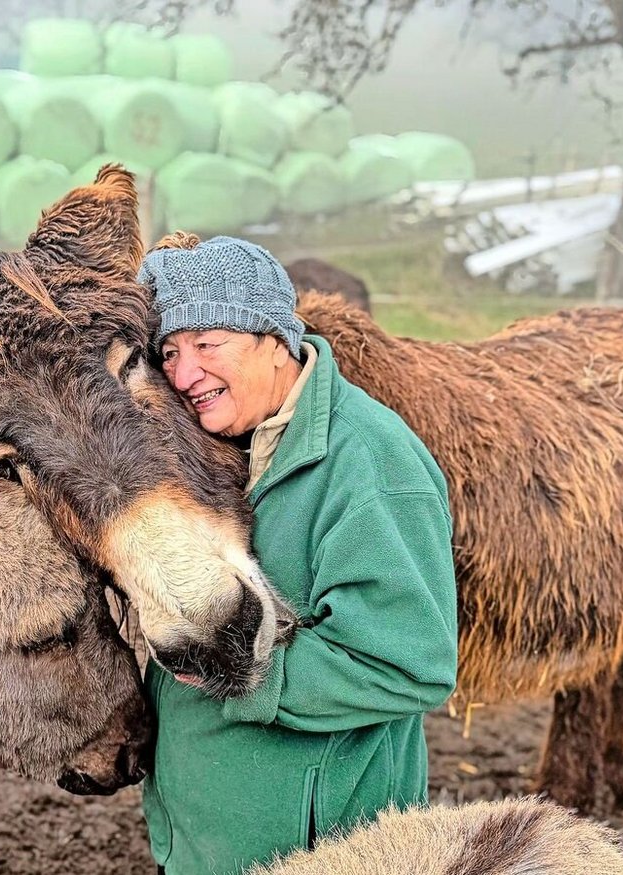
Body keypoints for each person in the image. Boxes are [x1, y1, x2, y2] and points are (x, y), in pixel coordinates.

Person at [137, 235, 459, 875]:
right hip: (212, 847)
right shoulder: (222, 445)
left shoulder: (369, 465)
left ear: (276, 338)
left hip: (320, 852)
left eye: (207, 344)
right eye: (169, 351)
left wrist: (241, 669)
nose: (183, 373)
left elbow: (410, 663)